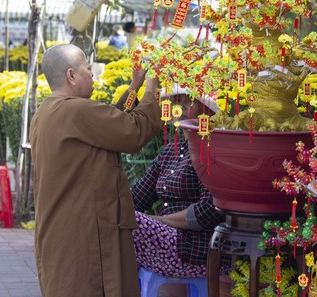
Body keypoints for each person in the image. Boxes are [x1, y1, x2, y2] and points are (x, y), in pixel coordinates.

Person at [30, 43, 162, 297]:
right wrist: (153, 87)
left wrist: (135, 86)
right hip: (85, 233)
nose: (92, 76)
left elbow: (110, 119)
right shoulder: (75, 110)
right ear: (71, 76)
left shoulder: (47, 111)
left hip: (63, 230)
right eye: (88, 69)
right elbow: (133, 132)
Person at [132, 87, 229, 278]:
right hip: (166, 241)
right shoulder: (170, 152)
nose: (181, 107)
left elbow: (209, 210)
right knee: (109, 217)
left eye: (189, 101)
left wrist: (158, 222)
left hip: (195, 249)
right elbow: (136, 198)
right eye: (176, 101)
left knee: (129, 223)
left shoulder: (211, 149)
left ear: (205, 110)